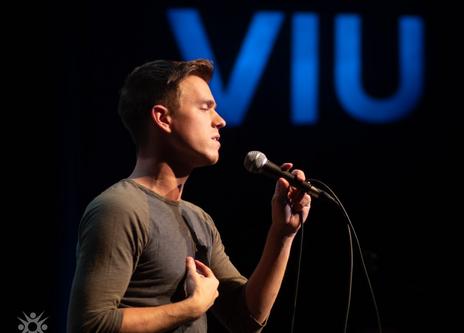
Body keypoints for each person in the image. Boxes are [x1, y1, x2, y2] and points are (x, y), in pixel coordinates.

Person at [67, 59, 312, 332]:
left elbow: (247, 319)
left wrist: (282, 233)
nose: (220, 121)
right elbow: (88, 324)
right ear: (162, 118)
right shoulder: (119, 208)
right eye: (205, 108)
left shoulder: (198, 219)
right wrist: (192, 308)